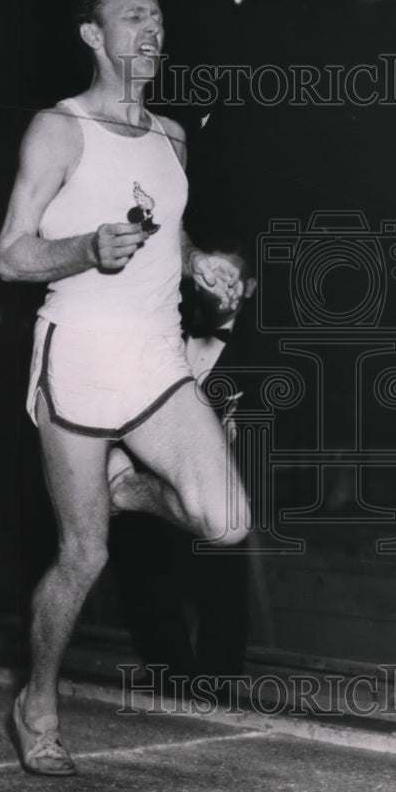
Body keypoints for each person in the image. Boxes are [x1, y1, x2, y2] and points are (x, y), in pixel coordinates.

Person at [0, 0, 251, 776]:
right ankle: (37, 701)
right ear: (93, 36)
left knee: (228, 523)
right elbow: (10, 253)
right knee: (85, 556)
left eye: (158, 18)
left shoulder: (173, 136)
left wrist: (201, 261)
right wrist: (82, 250)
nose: (152, 30)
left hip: (158, 358)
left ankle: (126, 488)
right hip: (78, 353)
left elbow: (165, 233)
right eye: (133, 16)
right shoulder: (57, 129)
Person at [108, 243, 257, 695]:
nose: (215, 286)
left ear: (248, 290)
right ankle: (171, 681)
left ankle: (219, 689)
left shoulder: (261, 354)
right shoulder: (163, 331)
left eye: (229, 279)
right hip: (150, 485)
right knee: (146, 580)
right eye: (207, 277)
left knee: (224, 584)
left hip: (219, 485)